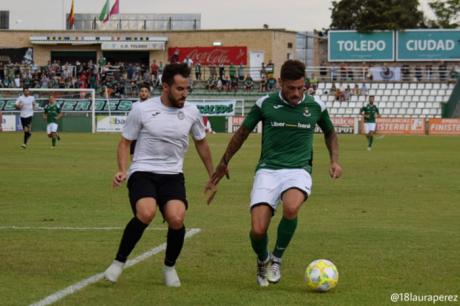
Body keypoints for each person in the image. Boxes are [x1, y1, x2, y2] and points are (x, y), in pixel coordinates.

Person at [206, 60, 342, 287]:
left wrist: (334, 161)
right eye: (291, 88)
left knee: (291, 207)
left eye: (301, 87)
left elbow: (330, 133)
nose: (297, 93)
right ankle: (263, 260)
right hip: (268, 170)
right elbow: (242, 133)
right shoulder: (265, 104)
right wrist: (224, 162)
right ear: (280, 83)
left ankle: (276, 259)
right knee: (258, 230)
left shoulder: (316, 105)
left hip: (299, 169)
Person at [104, 63, 214, 287]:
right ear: (165, 87)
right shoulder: (142, 109)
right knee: (146, 212)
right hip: (143, 171)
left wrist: (213, 174)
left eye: (187, 89)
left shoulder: (192, 112)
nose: (185, 94)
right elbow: (125, 143)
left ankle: (169, 267)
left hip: (173, 175)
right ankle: (118, 262)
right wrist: (122, 170)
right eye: (180, 89)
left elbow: (201, 143)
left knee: (176, 218)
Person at [129, 83, 151, 156]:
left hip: (148, 136)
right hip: (136, 135)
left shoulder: (152, 105)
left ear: (149, 93)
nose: (143, 93)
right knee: (133, 157)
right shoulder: (134, 105)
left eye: (145, 91)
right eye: (142, 91)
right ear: (139, 93)